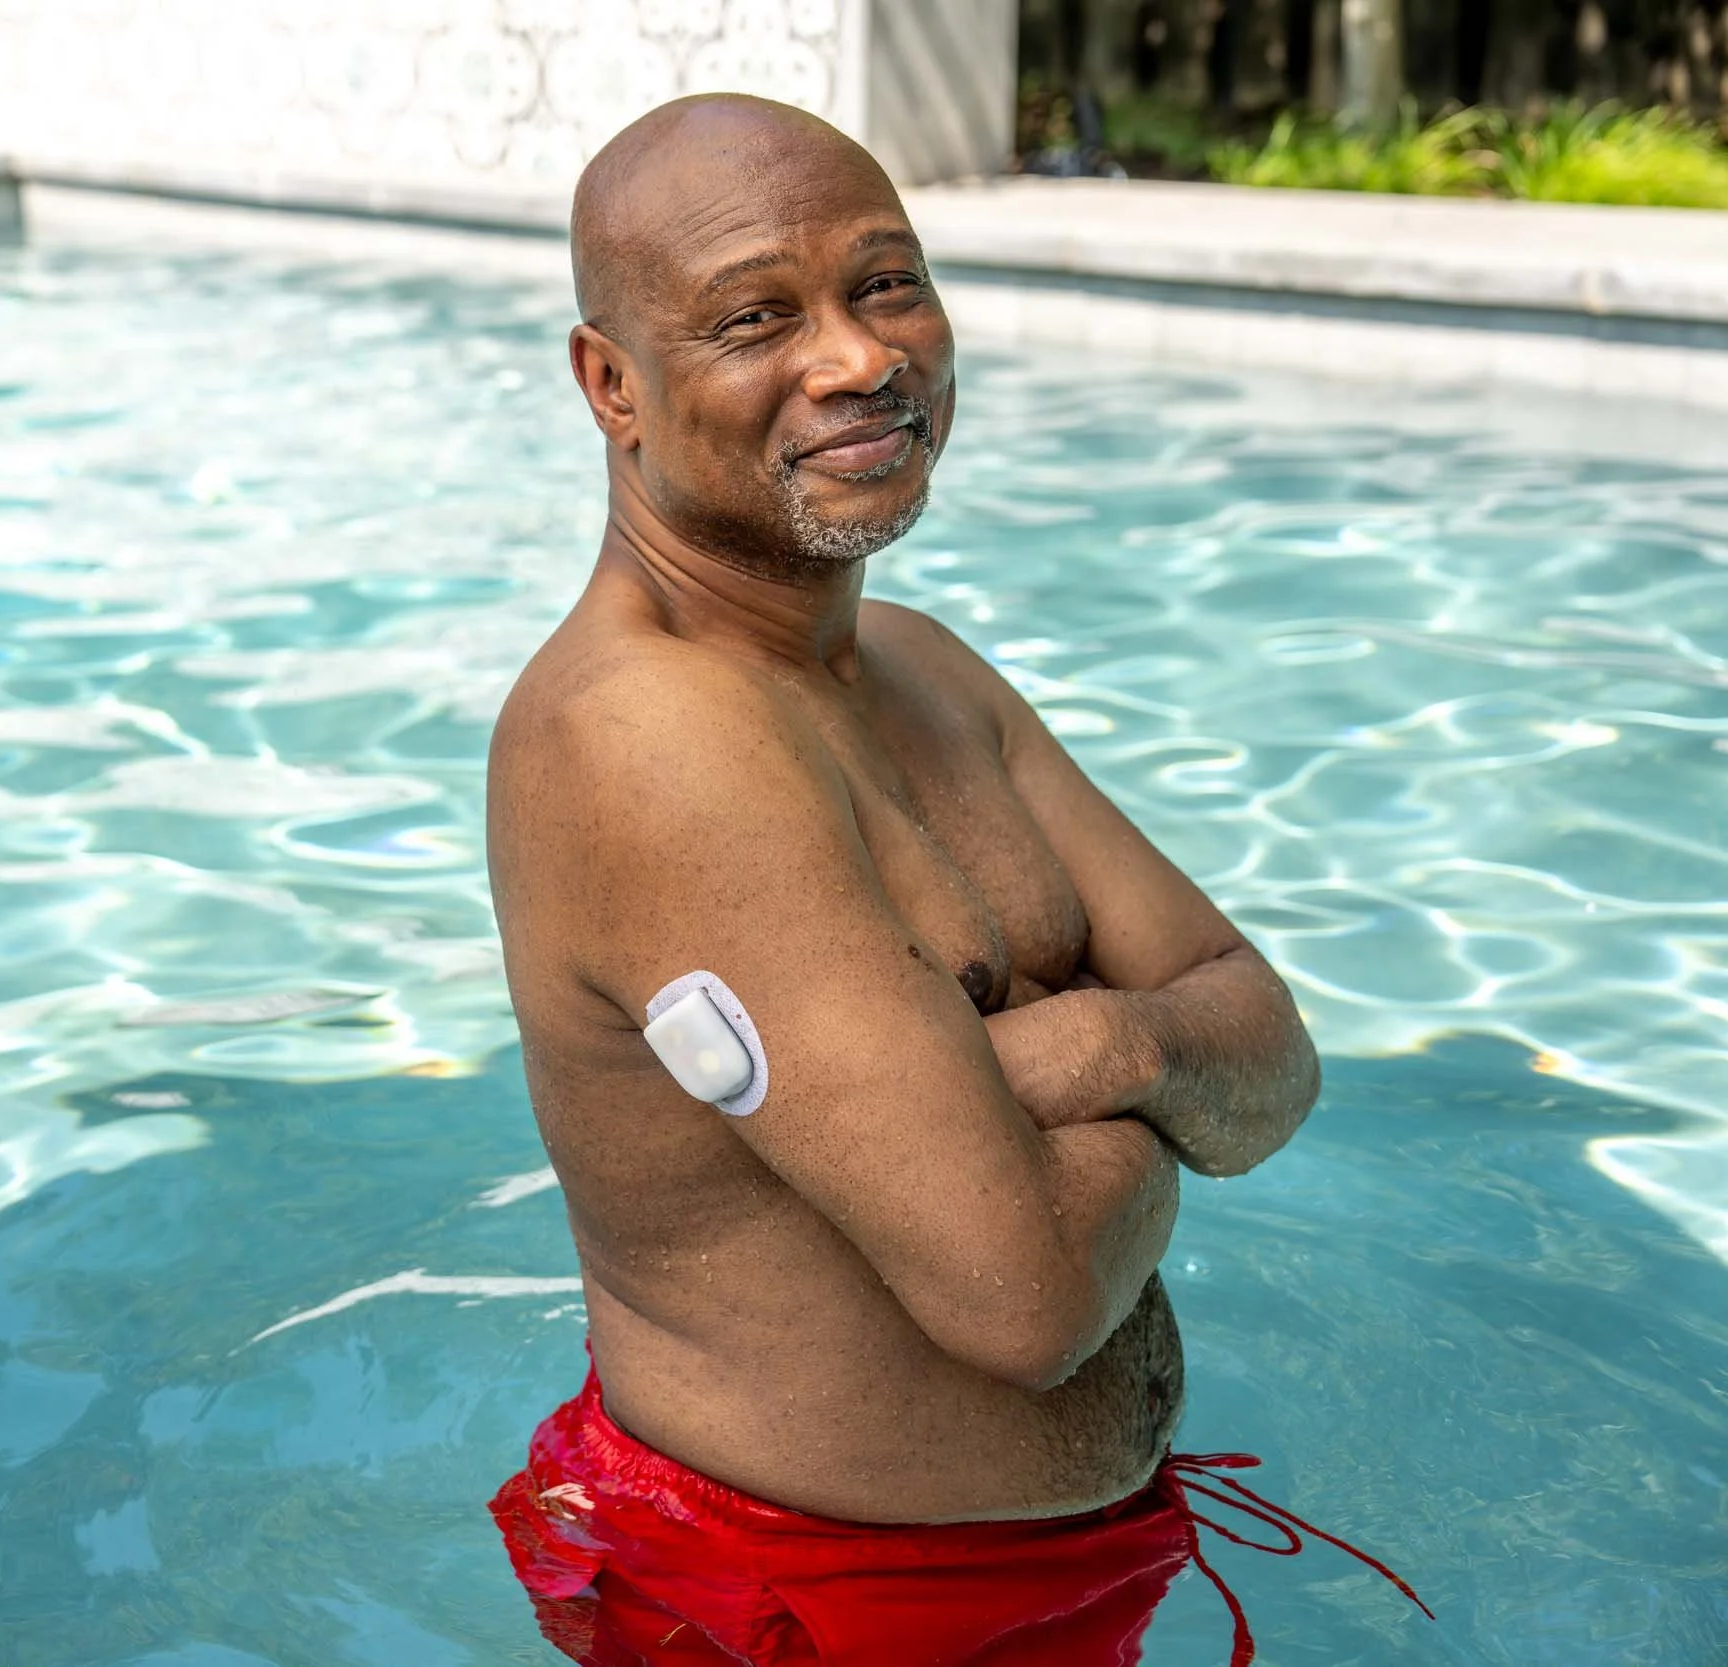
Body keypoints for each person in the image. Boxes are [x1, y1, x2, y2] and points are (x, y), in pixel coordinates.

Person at [484, 94, 1428, 1666]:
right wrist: (1157, 1085)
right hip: (807, 1602)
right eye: (755, 317)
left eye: (888, 282)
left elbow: (1275, 1053)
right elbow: (1028, 1298)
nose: (861, 357)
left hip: (1066, 1569)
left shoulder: (920, 669)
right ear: (613, 385)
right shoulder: (649, 741)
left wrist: (1090, 1050)